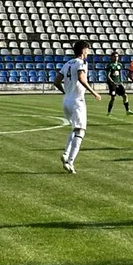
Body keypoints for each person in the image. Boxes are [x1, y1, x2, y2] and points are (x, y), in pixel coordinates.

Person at [53, 41, 101, 174]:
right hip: (77, 101)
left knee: (75, 129)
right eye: (88, 50)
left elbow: (56, 81)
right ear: (83, 50)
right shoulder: (81, 63)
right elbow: (81, 78)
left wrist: (66, 92)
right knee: (81, 131)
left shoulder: (67, 63)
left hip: (66, 101)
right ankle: (70, 161)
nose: (88, 53)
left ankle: (66, 153)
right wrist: (94, 92)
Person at [106, 52, 133, 116]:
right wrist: (112, 82)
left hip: (119, 83)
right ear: (111, 57)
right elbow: (108, 75)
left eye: (117, 56)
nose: (116, 58)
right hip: (113, 84)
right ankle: (109, 111)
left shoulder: (119, 65)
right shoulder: (110, 65)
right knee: (113, 98)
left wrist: (121, 81)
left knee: (125, 95)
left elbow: (119, 74)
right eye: (114, 56)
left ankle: (127, 110)